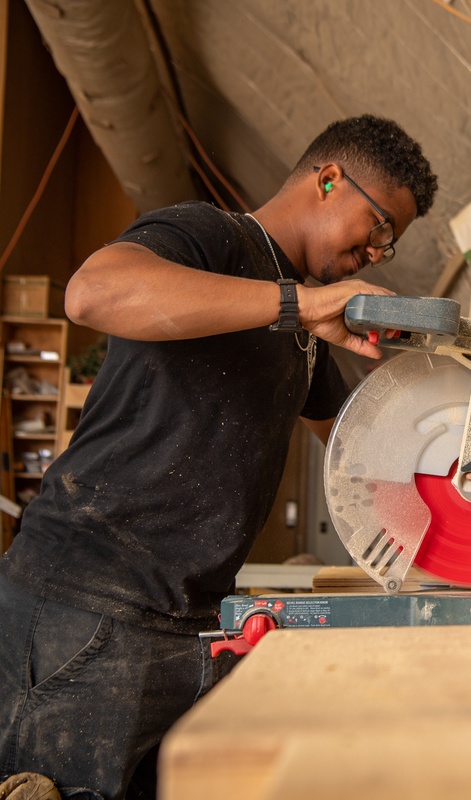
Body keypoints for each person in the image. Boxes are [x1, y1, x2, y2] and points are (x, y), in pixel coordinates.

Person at [0, 114, 438, 799]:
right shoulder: (213, 237)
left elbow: (362, 451)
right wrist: (299, 303)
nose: (376, 253)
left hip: (185, 624)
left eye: (390, 246)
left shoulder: (308, 326)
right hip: (80, 608)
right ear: (329, 180)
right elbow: (92, 292)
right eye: (377, 229)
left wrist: (463, 485)